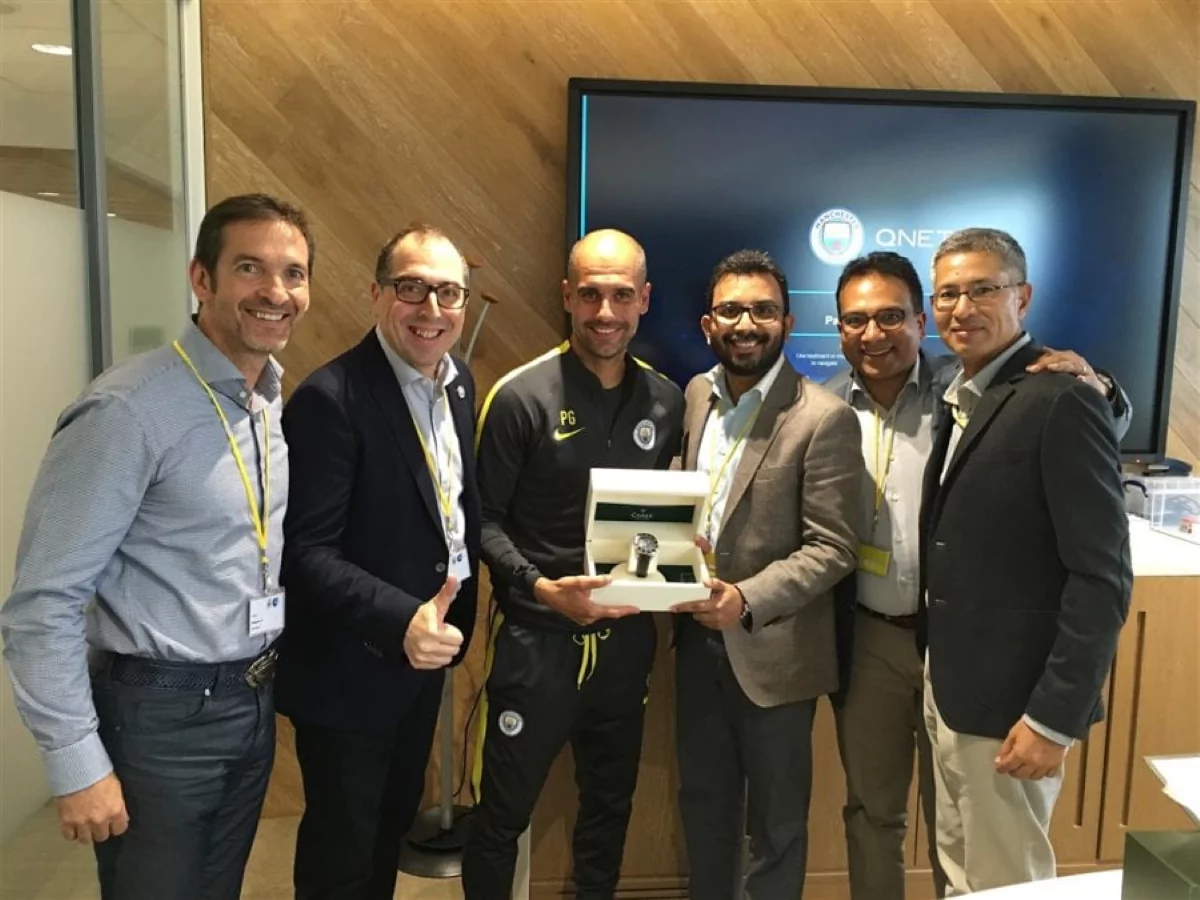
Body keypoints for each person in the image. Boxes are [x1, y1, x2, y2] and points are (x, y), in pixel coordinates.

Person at [0, 193, 313, 899]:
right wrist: (76, 762)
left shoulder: (264, 401)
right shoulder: (128, 410)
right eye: (250, 269)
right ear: (201, 279)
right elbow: (41, 605)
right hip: (157, 723)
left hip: (246, 704)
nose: (275, 291)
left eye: (293, 273)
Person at [823, 251, 1131, 900]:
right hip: (870, 636)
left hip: (969, 649)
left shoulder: (971, 388)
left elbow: (1099, 560)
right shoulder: (820, 406)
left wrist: (1098, 384)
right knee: (887, 813)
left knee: (972, 832)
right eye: (856, 320)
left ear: (916, 321)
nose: (873, 333)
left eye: (890, 316)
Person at [462, 229, 685, 898]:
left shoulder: (667, 401)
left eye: (622, 295)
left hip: (626, 647)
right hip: (536, 644)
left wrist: (686, 547)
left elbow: (669, 513)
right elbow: (482, 522)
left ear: (645, 300)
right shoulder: (519, 396)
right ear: (567, 296)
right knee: (499, 818)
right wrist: (538, 587)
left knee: (609, 810)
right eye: (590, 295)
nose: (606, 312)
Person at [919, 228, 1132, 893]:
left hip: (1016, 706)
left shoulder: (1062, 397)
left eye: (984, 289)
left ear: (1024, 296)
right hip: (953, 686)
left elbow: (1102, 578)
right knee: (960, 867)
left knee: (1007, 881)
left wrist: (1052, 718)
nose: (963, 308)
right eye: (949, 293)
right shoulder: (962, 393)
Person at [275, 225, 480, 899]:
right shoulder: (330, 399)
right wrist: (400, 618)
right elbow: (304, 554)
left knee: (387, 831)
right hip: (349, 670)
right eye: (411, 287)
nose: (430, 309)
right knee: (342, 853)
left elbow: (448, 508)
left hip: (420, 667)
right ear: (375, 295)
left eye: (447, 292)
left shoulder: (457, 383)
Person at [668, 249, 862, 900]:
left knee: (776, 826)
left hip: (776, 655)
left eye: (762, 310)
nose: (745, 323)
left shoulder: (823, 417)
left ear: (787, 320)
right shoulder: (697, 395)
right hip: (696, 646)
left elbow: (834, 546)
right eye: (731, 310)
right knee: (703, 805)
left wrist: (745, 599)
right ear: (707, 324)